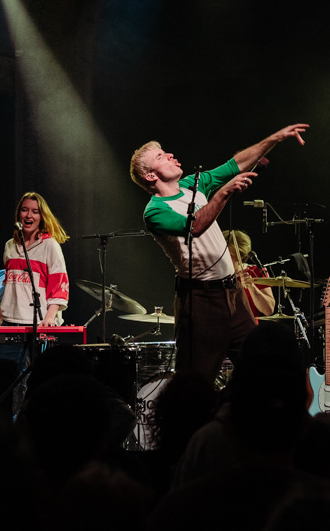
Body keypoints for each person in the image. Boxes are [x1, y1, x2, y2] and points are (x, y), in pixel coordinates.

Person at [129, 124, 308, 386]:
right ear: (150, 176)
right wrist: (225, 191)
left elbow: (235, 164)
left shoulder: (193, 185)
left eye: (167, 152)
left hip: (233, 292)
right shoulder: (154, 211)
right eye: (160, 156)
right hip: (201, 299)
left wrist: (275, 138)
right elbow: (195, 226)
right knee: (196, 382)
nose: (170, 156)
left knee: (258, 368)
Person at [0, 192, 70, 412]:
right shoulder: (10, 246)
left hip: (41, 324)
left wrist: (49, 318)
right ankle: (1, 435)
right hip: (11, 323)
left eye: (35, 211)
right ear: (18, 214)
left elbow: (59, 284)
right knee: (0, 386)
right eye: (25, 210)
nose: (29, 215)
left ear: (42, 216)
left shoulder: (50, 246)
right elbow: (10, 288)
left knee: (41, 385)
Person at [223, 229, 275, 319]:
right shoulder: (216, 274)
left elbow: (268, 310)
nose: (224, 259)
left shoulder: (255, 271)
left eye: (229, 255)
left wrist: (252, 287)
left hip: (249, 330)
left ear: (241, 256)